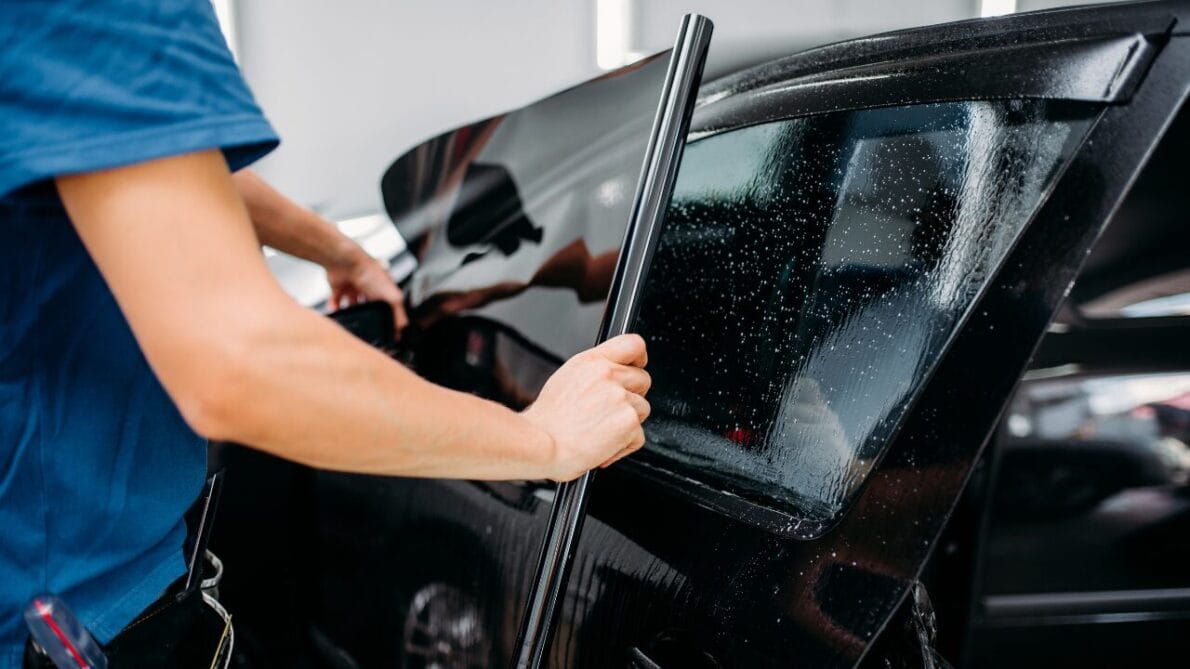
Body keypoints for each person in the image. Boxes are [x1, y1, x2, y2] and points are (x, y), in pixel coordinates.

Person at [0, 1, 651, 666]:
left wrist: (336, 252)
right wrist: (544, 438)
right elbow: (241, 362)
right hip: (70, 622)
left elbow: (146, 162)